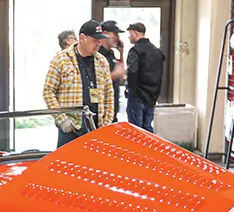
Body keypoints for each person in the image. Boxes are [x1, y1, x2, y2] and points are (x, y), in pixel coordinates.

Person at [42, 19, 115, 148]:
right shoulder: (61, 60)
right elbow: (48, 92)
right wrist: (62, 119)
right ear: (82, 38)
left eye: (100, 40)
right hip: (71, 129)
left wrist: (107, 122)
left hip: (96, 128)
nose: (99, 44)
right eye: (95, 40)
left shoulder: (102, 61)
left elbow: (109, 94)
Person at [125, 22, 165, 133]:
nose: (129, 37)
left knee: (135, 131)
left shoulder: (135, 51)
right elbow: (160, 75)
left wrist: (131, 91)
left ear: (136, 33)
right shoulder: (157, 52)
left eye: (130, 33)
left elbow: (132, 72)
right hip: (152, 96)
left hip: (137, 96)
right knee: (147, 130)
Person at [98, 20, 127, 122]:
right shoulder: (98, 53)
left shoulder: (111, 53)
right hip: (102, 105)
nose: (117, 38)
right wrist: (115, 75)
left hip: (113, 102)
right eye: (115, 34)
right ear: (105, 33)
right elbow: (97, 80)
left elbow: (121, 71)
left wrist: (121, 52)